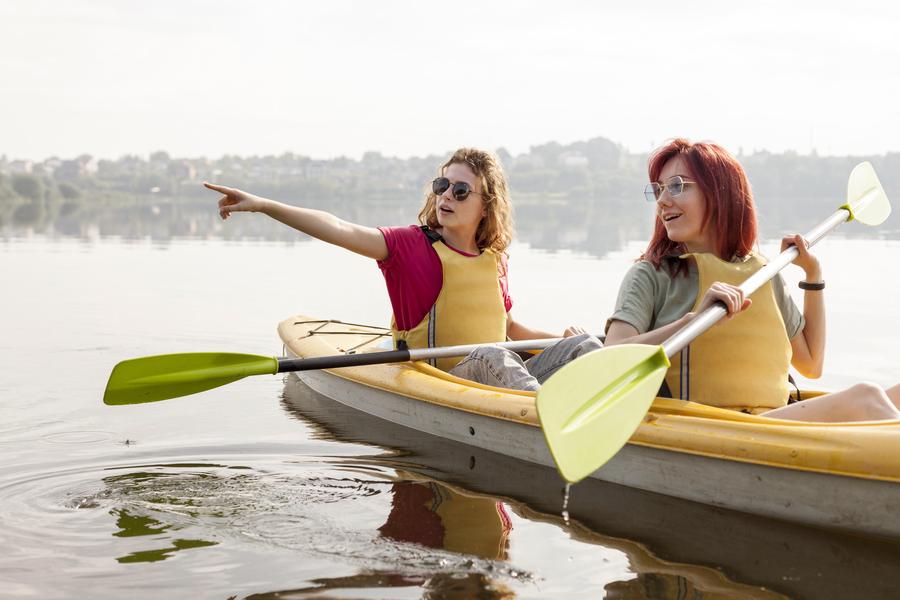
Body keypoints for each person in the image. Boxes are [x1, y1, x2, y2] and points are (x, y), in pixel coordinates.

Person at [205, 147, 601, 391]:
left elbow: (509, 328)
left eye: (460, 190)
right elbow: (340, 228)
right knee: (491, 357)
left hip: (501, 374)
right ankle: (551, 418)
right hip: (445, 380)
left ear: (486, 205)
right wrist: (265, 205)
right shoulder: (412, 248)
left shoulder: (493, 258)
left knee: (586, 346)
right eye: (441, 185)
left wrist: (559, 341)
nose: (446, 195)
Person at [604, 138, 900, 422]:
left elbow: (811, 363)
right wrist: (690, 323)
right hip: (711, 427)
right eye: (659, 190)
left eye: (677, 186)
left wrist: (813, 274)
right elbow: (611, 359)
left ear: (719, 193)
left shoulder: (761, 274)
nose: (663, 201)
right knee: (866, 397)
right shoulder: (651, 274)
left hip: (771, 423)